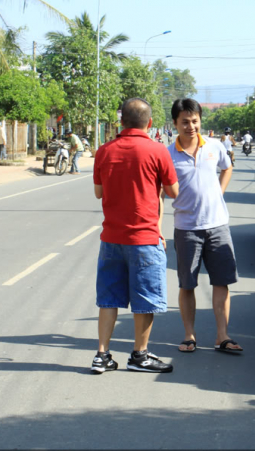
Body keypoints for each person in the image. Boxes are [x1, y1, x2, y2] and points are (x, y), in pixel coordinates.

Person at [91, 97, 179, 374]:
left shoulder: (104, 151)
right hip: (144, 238)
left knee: (109, 298)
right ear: (150, 123)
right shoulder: (157, 151)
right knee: (145, 299)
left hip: (111, 239)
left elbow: (98, 192)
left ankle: (102, 356)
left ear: (121, 122)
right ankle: (139, 355)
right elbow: (173, 191)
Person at [167, 98, 243, 354]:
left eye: (195, 121)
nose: (191, 126)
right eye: (185, 122)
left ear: (201, 120)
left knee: (222, 282)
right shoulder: (167, 154)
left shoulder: (215, 146)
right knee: (187, 284)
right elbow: (158, 191)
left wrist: (219, 193)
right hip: (186, 227)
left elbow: (227, 167)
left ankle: (223, 336)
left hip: (218, 226)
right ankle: (189, 335)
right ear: (175, 123)